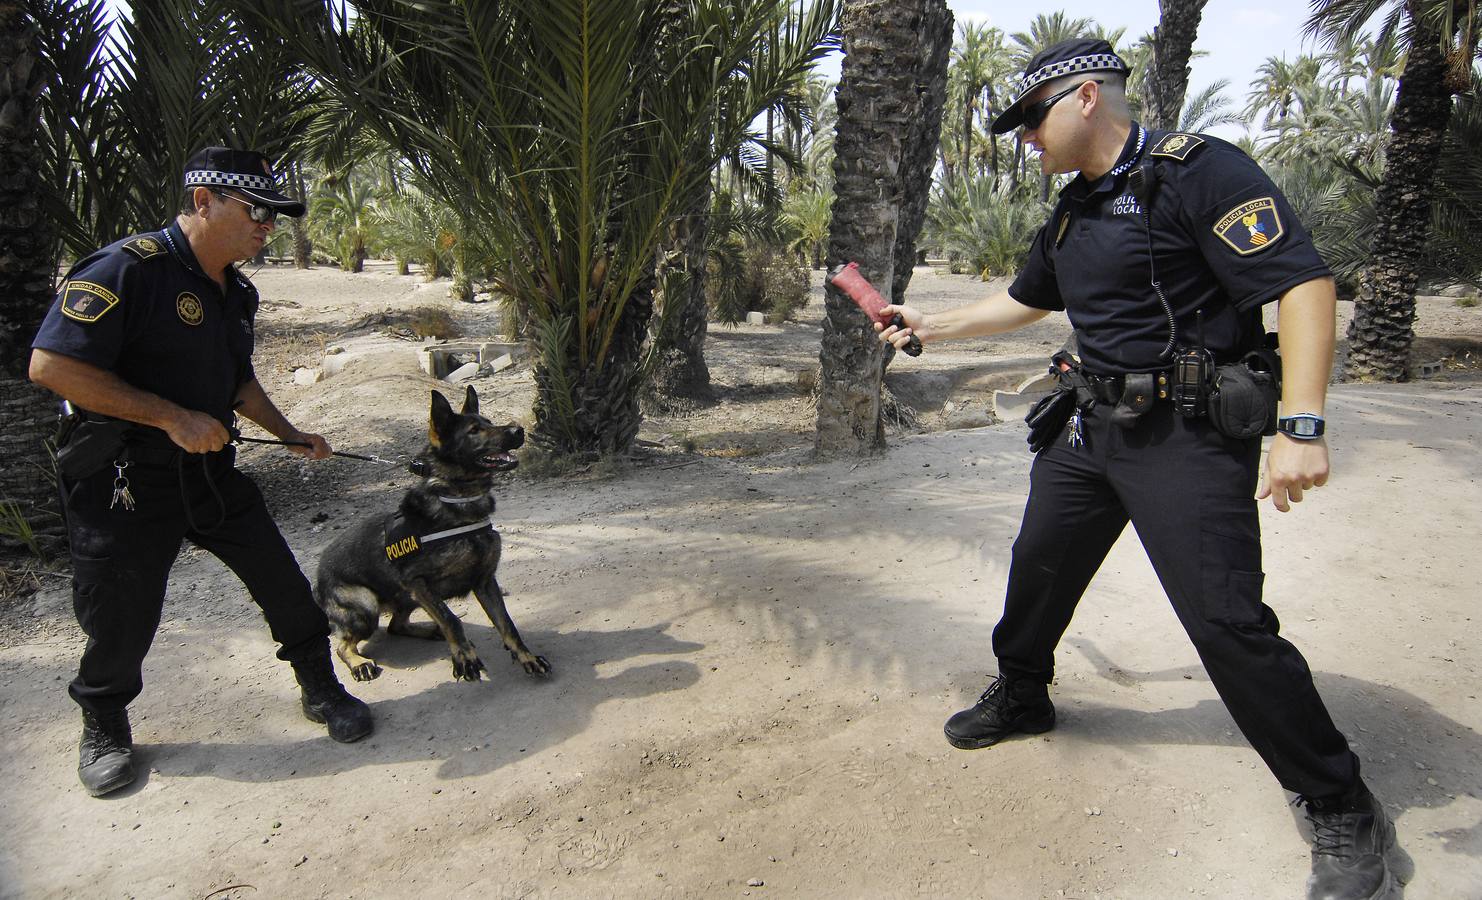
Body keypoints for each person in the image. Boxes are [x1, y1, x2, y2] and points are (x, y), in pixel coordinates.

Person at [876, 40, 1393, 900]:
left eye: (1032, 120)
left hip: (1185, 434)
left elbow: (1302, 284)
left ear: (1085, 99)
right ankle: (1024, 691)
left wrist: (1301, 424)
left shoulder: (1198, 171)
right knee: (1039, 565)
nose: (1025, 140)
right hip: (1092, 424)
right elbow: (1029, 299)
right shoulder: (1074, 210)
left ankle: (1338, 797)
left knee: (1225, 621)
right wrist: (931, 325)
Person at [29, 147, 373, 798]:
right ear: (203, 202)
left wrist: (291, 435)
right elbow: (52, 367)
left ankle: (320, 688)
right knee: (122, 615)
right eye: (256, 213)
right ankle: (104, 720)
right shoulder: (128, 270)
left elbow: (238, 382)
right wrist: (170, 417)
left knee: (283, 583)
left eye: (274, 219)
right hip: (124, 482)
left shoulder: (235, 292)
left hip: (211, 474)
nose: (266, 229)